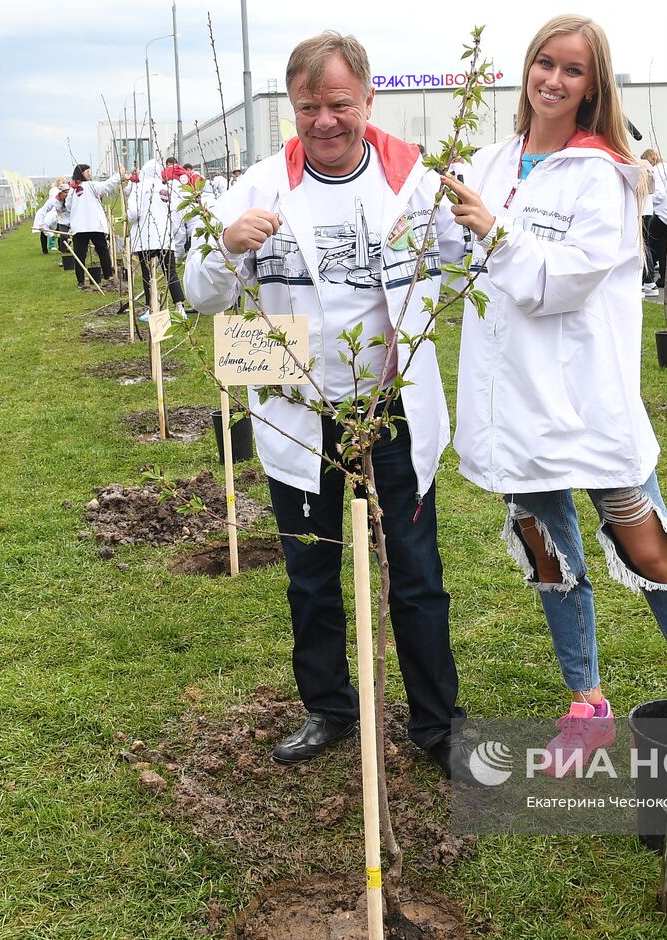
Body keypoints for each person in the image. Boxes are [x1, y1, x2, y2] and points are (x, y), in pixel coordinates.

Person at [440, 14, 667, 795]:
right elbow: (452, 260)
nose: (552, 79)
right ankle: (587, 702)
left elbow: (566, 281)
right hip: (514, 403)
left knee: (651, 551)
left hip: (585, 404)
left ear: (595, 85)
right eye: (543, 62)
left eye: (572, 70)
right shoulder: (490, 160)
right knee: (550, 556)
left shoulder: (606, 173)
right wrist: (448, 224)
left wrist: (494, 231)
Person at [183, 30, 474, 782]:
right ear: (293, 107)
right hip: (299, 408)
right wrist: (224, 246)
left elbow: (465, 265)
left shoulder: (415, 181)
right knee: (309, 572)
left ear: (368, 100)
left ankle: (437, 722)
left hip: (393, 407)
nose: (324, 121)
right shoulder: (255, 186)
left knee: (415, 573)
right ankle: (330, 707)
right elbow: (200, 296)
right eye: (308, 106)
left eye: (339, 104)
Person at [126, 159, 187, 317]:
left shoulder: (139, 188)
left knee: (148, 273)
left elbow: (133, 213)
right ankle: (179, 307)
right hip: (165, 236)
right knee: (170, 271)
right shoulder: (166, 188)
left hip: (145, 238)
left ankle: (150, 308)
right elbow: (175, 212)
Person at [62, 163, 122, 290]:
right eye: (88, 172)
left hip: (80, 227)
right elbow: (107, 185)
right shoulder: (92, 185)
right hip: (95, 225)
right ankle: (108, 277)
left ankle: (81, 281)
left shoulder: (73, 188)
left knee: (80, 254)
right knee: (102, 251)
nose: (90, 174)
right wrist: (119, 175)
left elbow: (68, 206)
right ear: (81, 173)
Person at [640, 148, 667, 295]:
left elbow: (658, 195)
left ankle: (648, 279)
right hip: (666, 214)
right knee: (660, 247)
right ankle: (659, 278)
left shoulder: (655, 171)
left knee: (646, 245)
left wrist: (645, 195)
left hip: (656, 212)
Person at [33, 177, 67, 254]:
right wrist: (41, 224)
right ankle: (45, 248)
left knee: (61, 230)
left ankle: (63, 248)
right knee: (45, 229)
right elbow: (43, 211)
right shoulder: (54, 194)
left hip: (60, 215)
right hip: (51, 213)